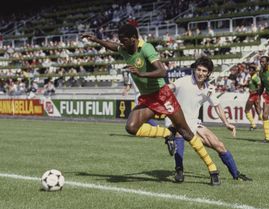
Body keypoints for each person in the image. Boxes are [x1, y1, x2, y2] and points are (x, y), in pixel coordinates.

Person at [81, 24, 221, 185]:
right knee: (131, 127)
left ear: (134, 39)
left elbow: (162, 71)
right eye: (120, 40)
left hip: (163, 95)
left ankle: (212, 169)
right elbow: (113, 47)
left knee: (186, 133)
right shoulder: (125, 49)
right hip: (147, 98)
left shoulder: (146, 48)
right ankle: (166, 134)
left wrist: (141, 74)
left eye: (124, 40)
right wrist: (96, 40)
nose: (121, 43)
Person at [165, 56, 252, 182]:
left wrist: (227, 123)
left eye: (204, 71)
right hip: (176, 121)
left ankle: (236, 175)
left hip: (193, 123)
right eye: (199, 70)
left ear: (208, 73)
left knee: (219, 145)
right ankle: (179, 170)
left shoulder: (209, 88)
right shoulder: (184, 81)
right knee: (179, 133)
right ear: (194, 69)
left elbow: (217, 106)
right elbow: (170, 87)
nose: (200, 73)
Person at [244, 64, 262, 131]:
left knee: (246, 110)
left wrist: (254, 91)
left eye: (251, 70)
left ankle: (253, 125)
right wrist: (245, 85)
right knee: (257, 109)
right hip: (255, 95)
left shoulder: (255, 78)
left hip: (253, 96)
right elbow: (253, 86)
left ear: (254, 71)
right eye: (249, 70)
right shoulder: (252, 77)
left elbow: (260, 87)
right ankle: (265, 123)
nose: (249, 71)